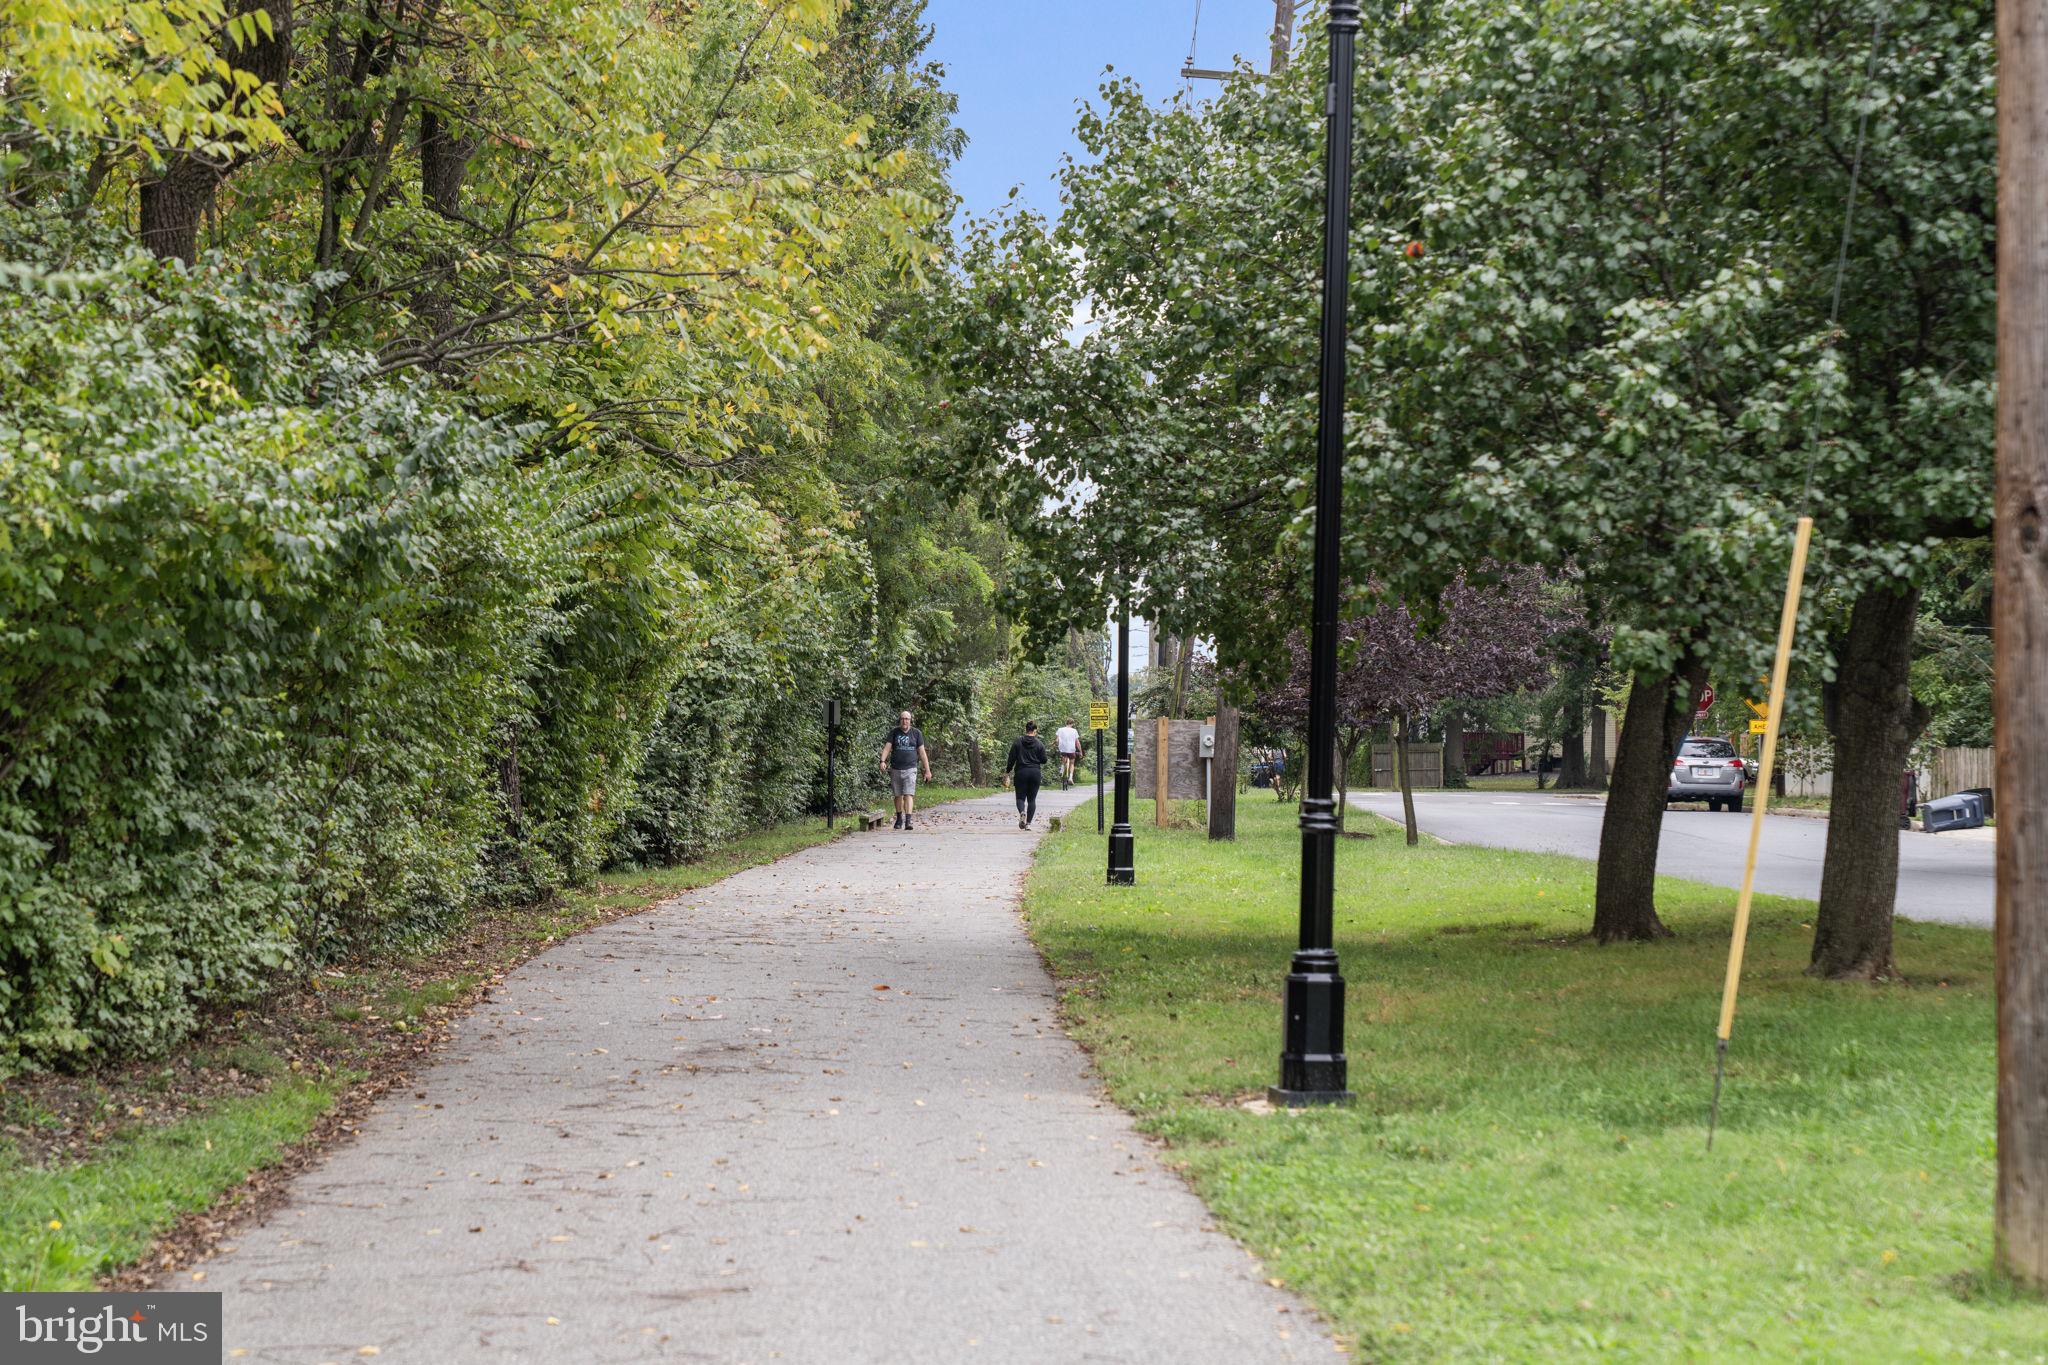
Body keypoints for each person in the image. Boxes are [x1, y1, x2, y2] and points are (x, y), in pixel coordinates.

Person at [878, 710, 932, 831]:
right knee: (898, 795)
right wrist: (882, 761)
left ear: (910, 720)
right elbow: (887, 748)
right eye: (903, 718)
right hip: (896, 768)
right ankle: (899, 818)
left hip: (910, 768)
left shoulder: (916, 733)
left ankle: (908, 820)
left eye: (907, 719)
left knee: (908, 794)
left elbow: (922, 753)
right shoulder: (894, 732)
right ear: (900, 720)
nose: (905, 721)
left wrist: (927, 770)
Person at [1004, 721, 1049, 829]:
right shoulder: (1039, 744)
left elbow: (1011, 759)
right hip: (1035, 773)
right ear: (1035, 731)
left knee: (1020, 798)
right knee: (1032, 800)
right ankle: (1028, 824)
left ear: (1026, 730)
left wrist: (1007, 771)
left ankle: (1022, 812)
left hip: (1021, 772)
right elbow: (1044, 760)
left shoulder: (1017, 742)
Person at [1054, 718, 1082, 789]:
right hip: (1071, 749)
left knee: (1063, 759)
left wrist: (1054, 744)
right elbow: (1077, 742)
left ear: (1066, 723)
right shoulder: (1074, 731)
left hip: (1063, 749)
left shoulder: (1060, 729)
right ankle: (1070, 777)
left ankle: (1062, 769)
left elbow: (1057, 740)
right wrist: (1080, 751)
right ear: (1072, 724)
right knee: (1072, 763)